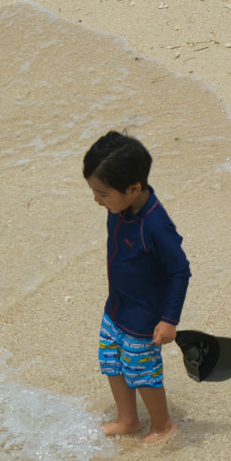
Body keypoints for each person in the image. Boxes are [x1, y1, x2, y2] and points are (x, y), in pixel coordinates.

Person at [82, 132, 190, 444]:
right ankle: (128, 419)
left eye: (102, 194)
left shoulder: (155, 225)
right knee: (112, 363)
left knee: (144, 374)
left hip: (142, 320)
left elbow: (179, 271)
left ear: (133, 189)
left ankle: (162, 424)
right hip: (115, 309)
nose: (97, 200)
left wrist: (168, 320)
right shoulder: (118, 209)